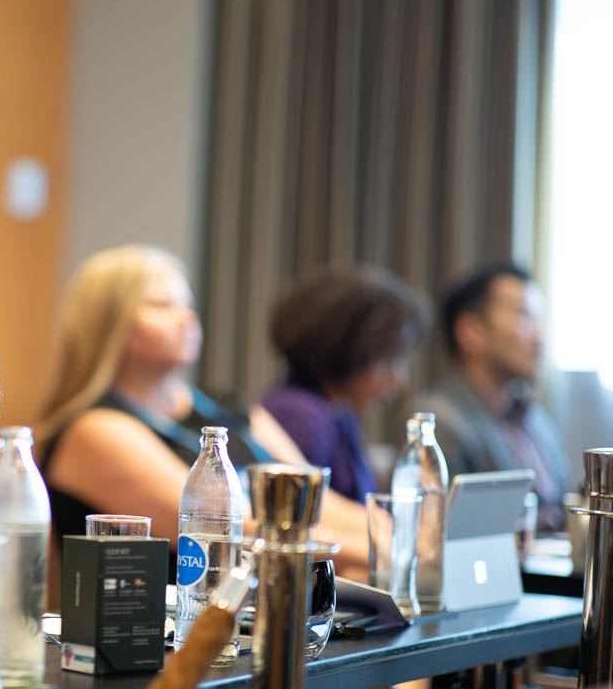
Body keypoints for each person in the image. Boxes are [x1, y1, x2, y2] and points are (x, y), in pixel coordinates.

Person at [36, 246, 370, 600]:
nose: (187, 318)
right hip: (173, 624)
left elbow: (316, 502)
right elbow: (218, 533)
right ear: (108, 324)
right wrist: (376, 553)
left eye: (187, 304)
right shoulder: (95, 429)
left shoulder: (231, 407)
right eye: (163, 305)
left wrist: (396, 536)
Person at [416, 263, 569, 530]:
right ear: (470, 333)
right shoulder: (437, 421)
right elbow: (443, 531)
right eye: (523, 316)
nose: (539, 336)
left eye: (539, 319)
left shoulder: (536, 420)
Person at [260, 267, 429, 503]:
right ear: (349, 352)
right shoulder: (301, 417)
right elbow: (311, 514)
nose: (399, 379)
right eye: (388, 360)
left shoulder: (336, 411)